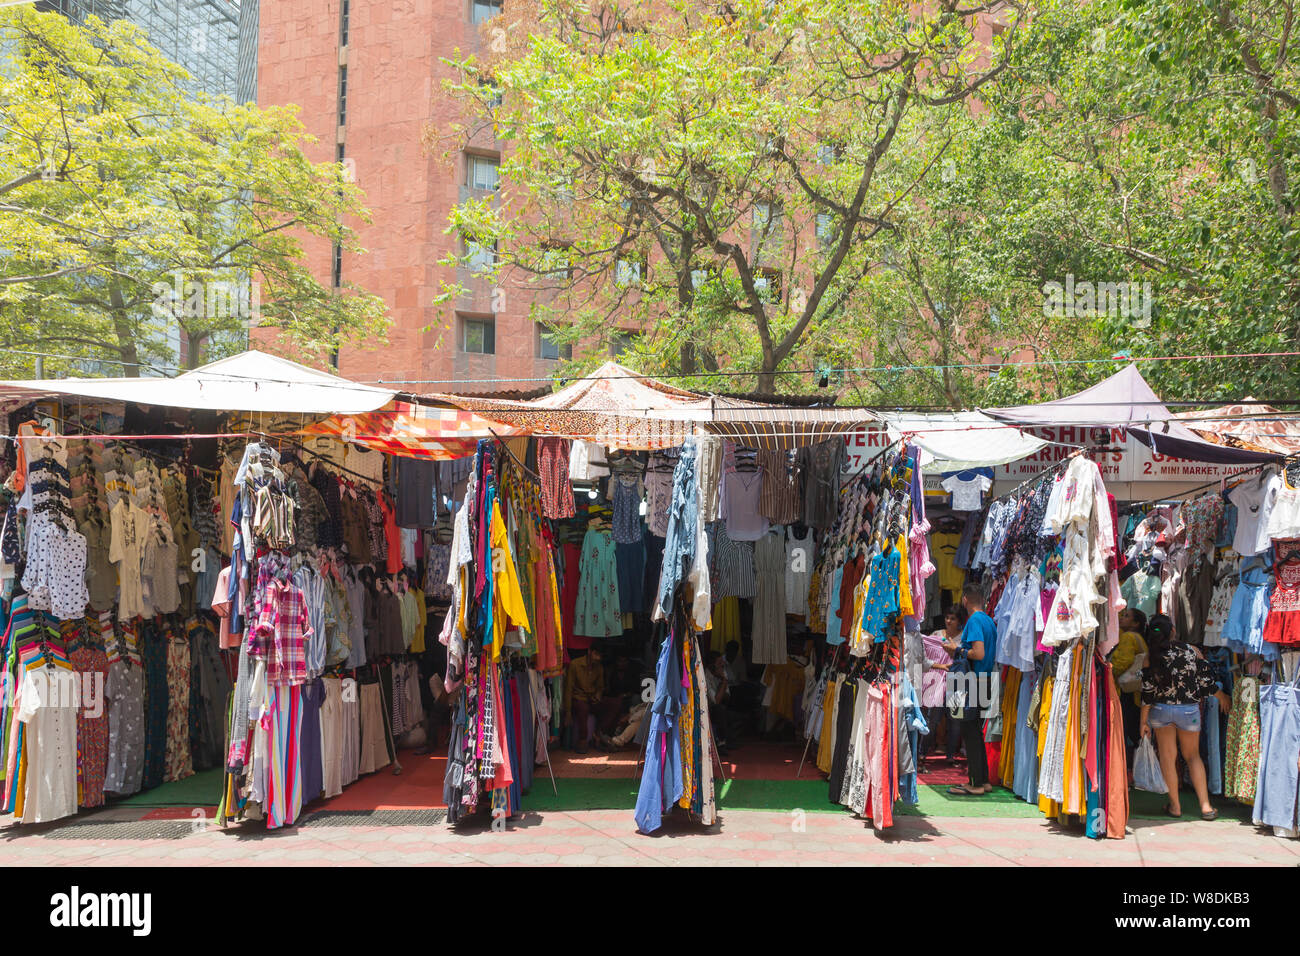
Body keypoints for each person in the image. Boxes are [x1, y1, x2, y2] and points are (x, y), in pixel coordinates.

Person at [1139, 613, 1231, 819]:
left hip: (1161, 711)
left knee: (1168, 758)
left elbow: (1147, 694)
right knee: (1193, 756)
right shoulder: (1192, 651)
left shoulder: (1150, 657)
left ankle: (1175, 806)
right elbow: (1206, 682)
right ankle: (1206, 806)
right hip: (1188, 711)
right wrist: (1222, 696)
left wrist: (1143, 722)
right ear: (1172, 631)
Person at [946, 583, 998, 796]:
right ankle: (982, 780)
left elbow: (978, 653)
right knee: (975, 732)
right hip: (985, 681)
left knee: (971, 733)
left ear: (965, 599)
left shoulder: (975, 620)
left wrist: (955, 648)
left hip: (973, 682)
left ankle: (975, 783)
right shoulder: (988, 620)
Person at [922, 606, 964, 760]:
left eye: (953, 618)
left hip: (957, 683)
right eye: (947, 617)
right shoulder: (936, 635)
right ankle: (922, 754)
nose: (948, 621)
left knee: (955, 722)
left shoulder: (964, 638)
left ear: (959, 620)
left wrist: (954, 651)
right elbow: (924, 655)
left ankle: (951, 755)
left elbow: (966, 658)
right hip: (937, 685)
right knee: (932, 720)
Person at [564, 646, 620, 754]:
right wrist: (568, 711)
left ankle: (599, 733)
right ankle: (583, 740)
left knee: (615, 703)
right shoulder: (575, 664)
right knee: (582, 708)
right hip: (578, 699)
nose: (598, 658)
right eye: (596, 655)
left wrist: (598, 695)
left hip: (592, 699)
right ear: (590, 652)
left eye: (600, 656)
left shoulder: (599, 667)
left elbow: (600, 687)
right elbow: (568, 689)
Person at [1109, 606, 1148, 761]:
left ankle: (1133, 766)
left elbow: (1122, 662)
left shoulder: (1128, 637)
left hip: (1128, 692)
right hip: (1136, 692)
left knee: (1128, 728)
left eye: (1126, 616)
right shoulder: (1137, 637)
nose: (1121, 618)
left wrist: (1108, 671)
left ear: (1135, 623)